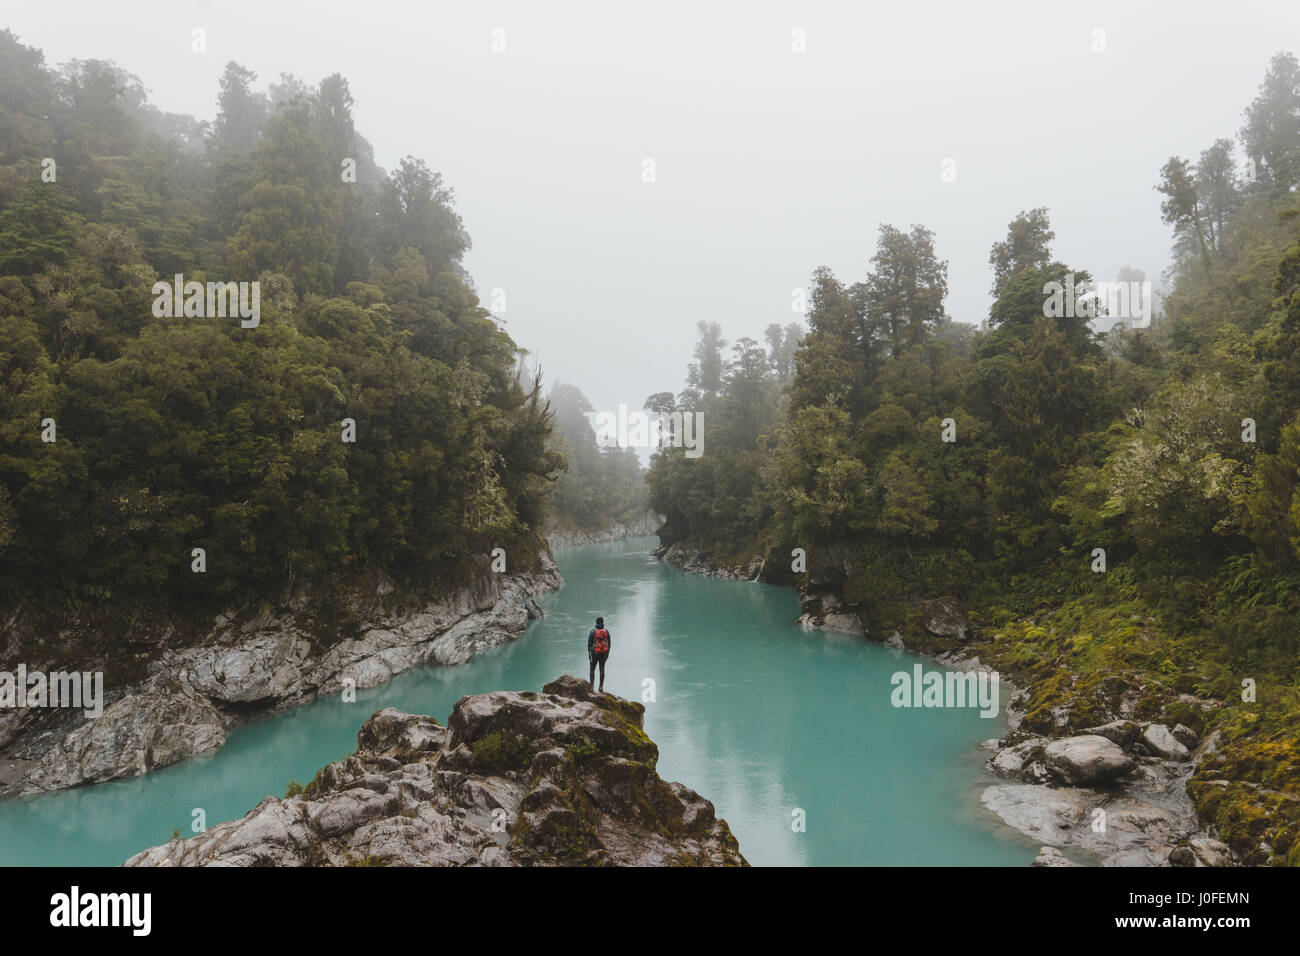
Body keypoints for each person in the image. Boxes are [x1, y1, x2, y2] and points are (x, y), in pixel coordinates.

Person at [587, 616, 610, 692]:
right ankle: (601, 687)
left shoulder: (593, 632)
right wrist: (607, 654)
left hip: (594, 653)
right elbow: (609, 644)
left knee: (592, 670)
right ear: (603, 623)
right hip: (603, 653)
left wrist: (589, 654)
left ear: (596, 622)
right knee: (602, 670)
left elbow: (589, 644)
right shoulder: (606, 632)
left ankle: (592, 686)